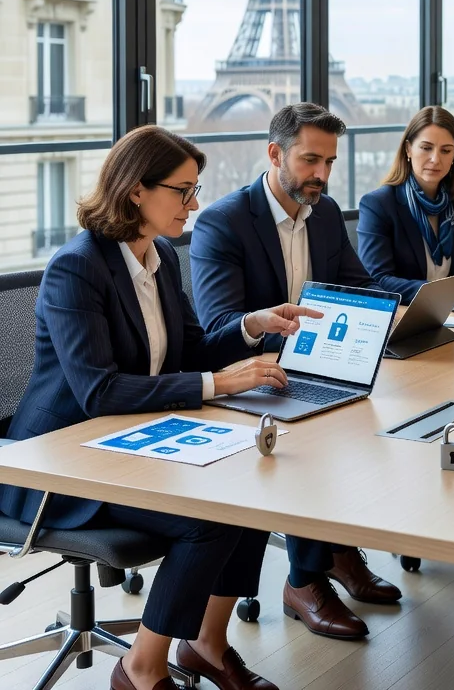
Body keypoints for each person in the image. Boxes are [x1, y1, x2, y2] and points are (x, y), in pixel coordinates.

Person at [0, 126, 317, 690]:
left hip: (134, 439)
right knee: (208, 519)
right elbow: (99, 391)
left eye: (196, 190)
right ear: (136, 192)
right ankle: (141, 669)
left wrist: (251, 325)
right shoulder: (78, 267)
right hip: (60, 465)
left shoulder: (161, 256)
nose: (194, 205)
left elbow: (189, 349)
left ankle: (206, 647)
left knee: (253, 494)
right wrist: (216, 385)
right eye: (183, 191)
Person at [190, 102, 401, 641]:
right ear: (275, 153)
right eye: (311, 160)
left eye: (330, 161)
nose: (322, 175)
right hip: (246, 374)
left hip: (320, 364)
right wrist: (262, 325)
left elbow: (358, 288)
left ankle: (337, 549)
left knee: (375, 417)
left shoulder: (325, 213)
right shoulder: (223, 222)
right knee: (319, 434)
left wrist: (405, 309)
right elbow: (216, 331)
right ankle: (305, 580)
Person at [357, 106, 454, 304]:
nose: (435, 159)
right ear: (408, 149)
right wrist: (447, 291)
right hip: (406, 318)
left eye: (446, 150)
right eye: (426, 148)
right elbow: (378, 281)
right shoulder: (378, 205)